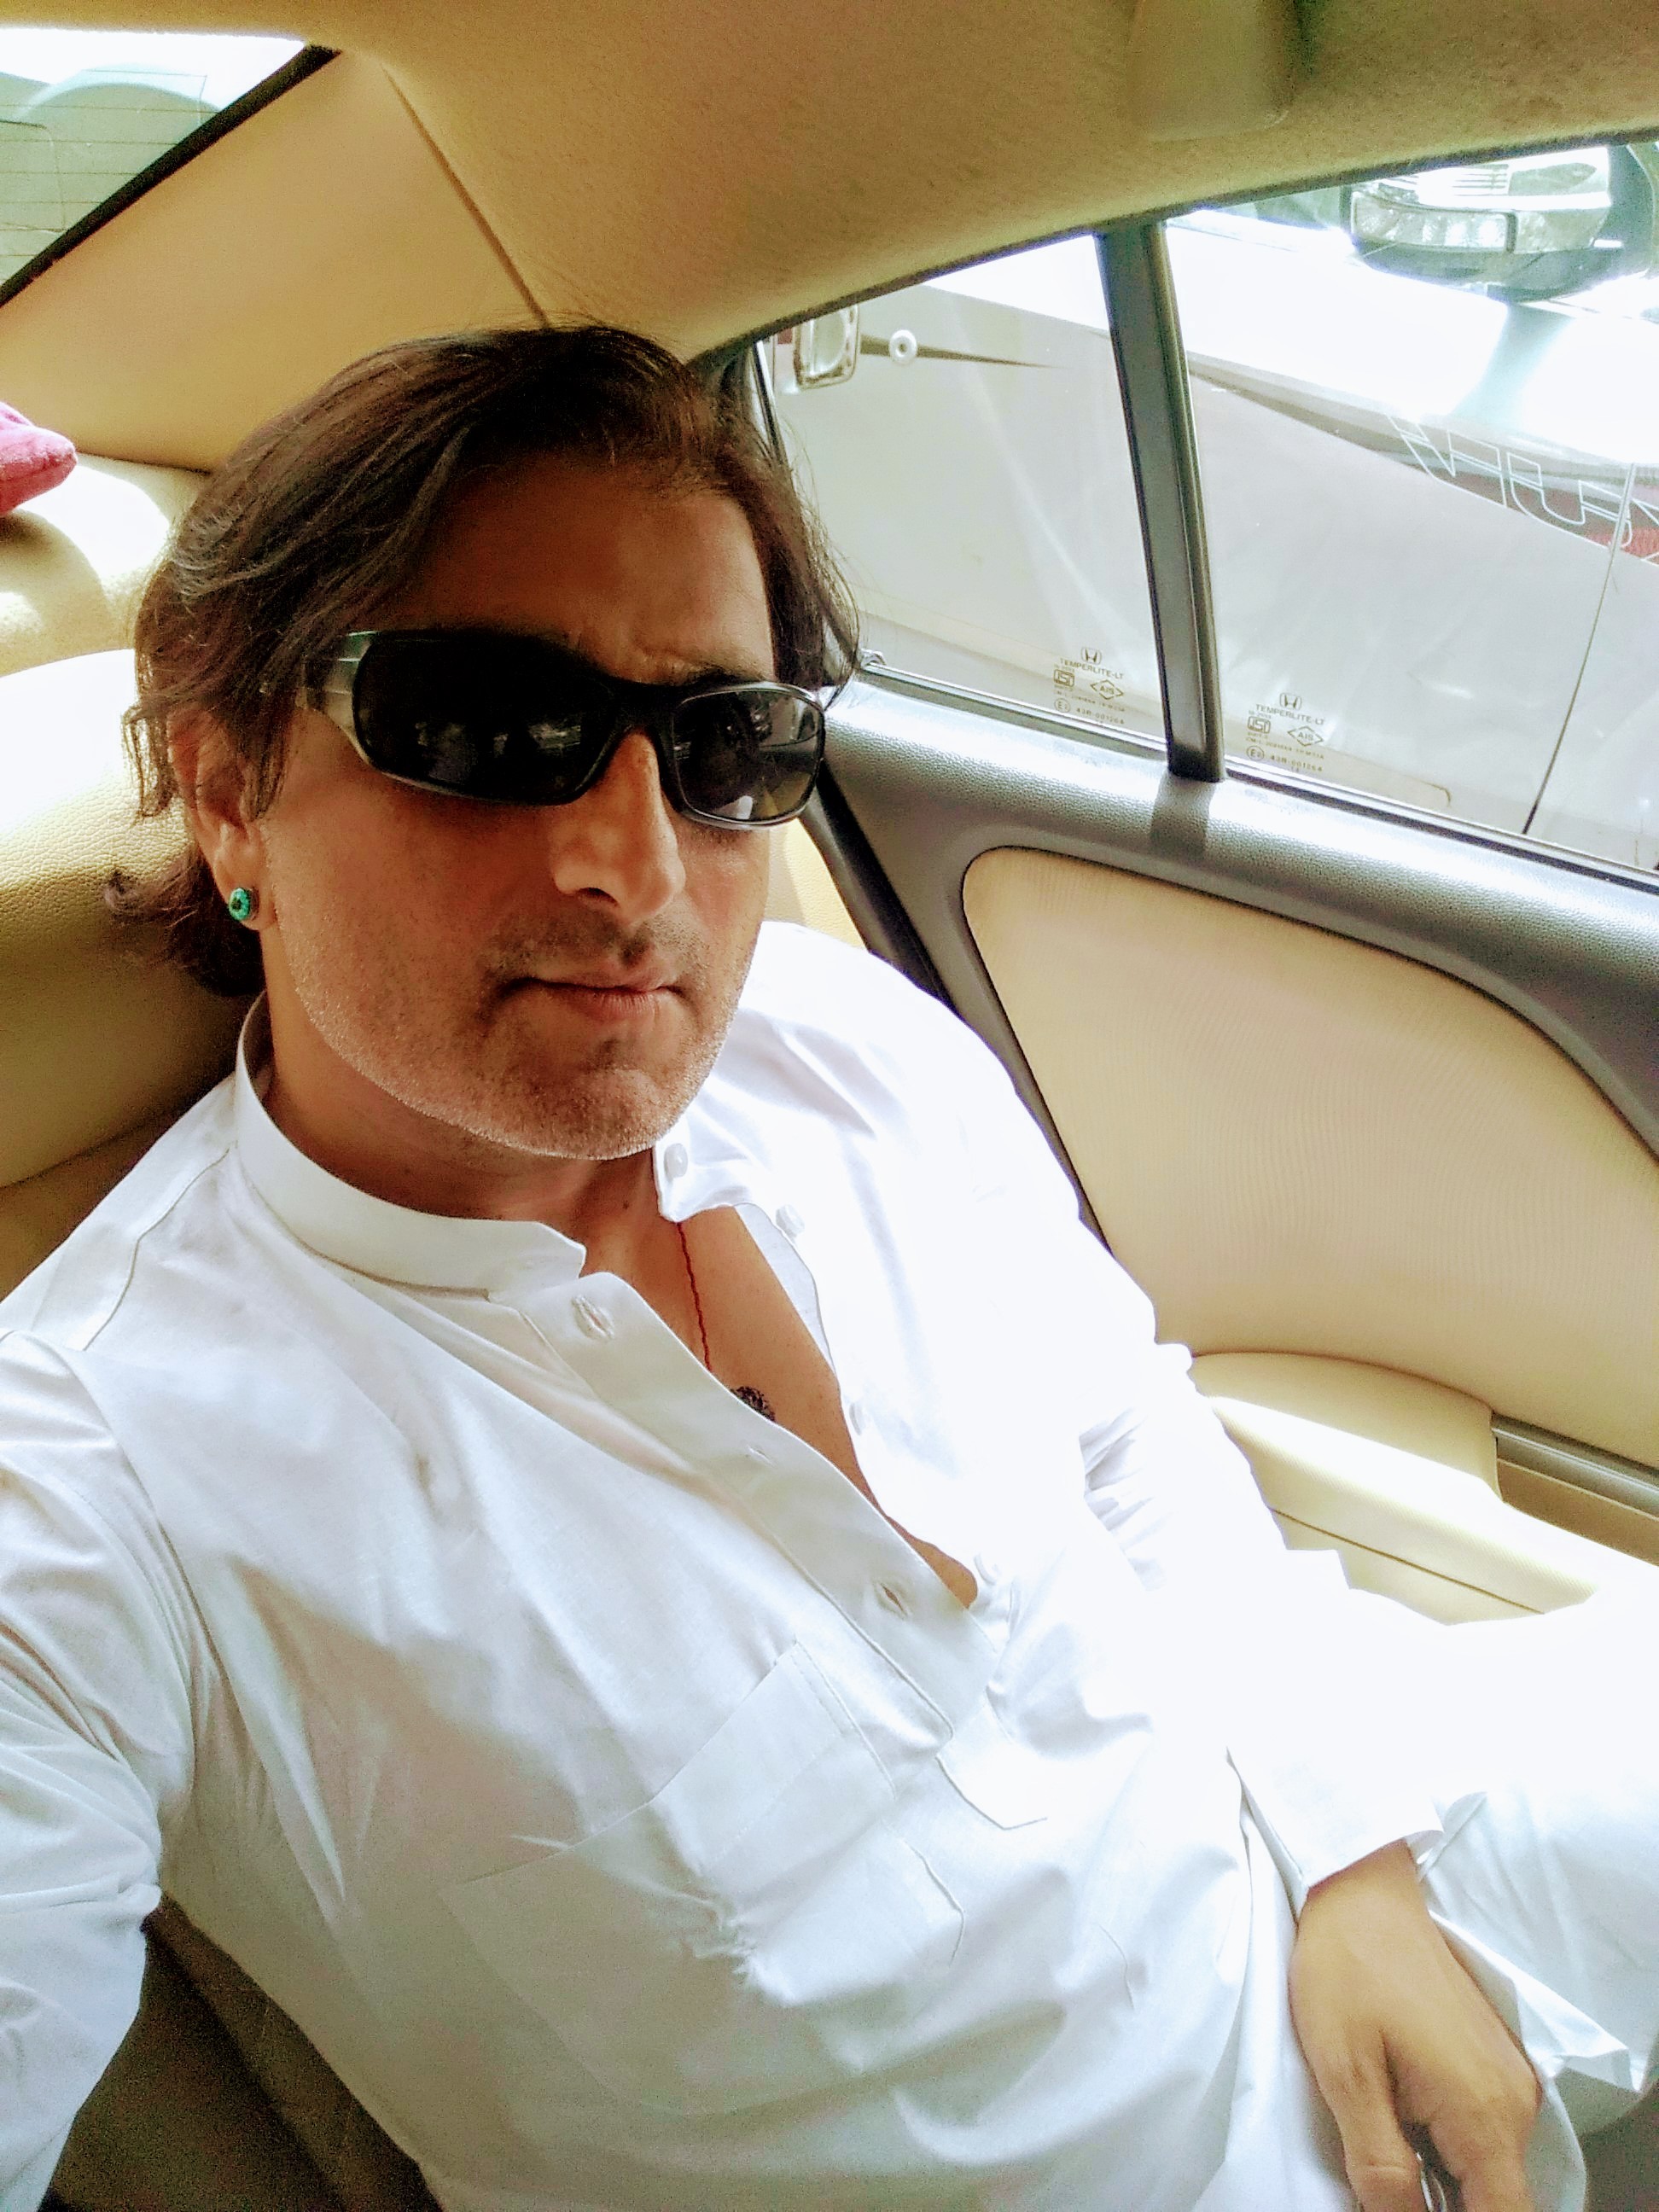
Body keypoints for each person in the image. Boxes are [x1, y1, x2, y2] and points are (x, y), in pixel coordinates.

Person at [0, 327, 1652, 2212]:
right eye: (491, 731)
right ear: (229, 791)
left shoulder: (837, 1039)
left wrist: (1355, 1863)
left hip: (1335, 1839)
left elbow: (1122, 1432)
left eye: (727, 748)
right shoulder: (87, 1484)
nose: (638, 869)